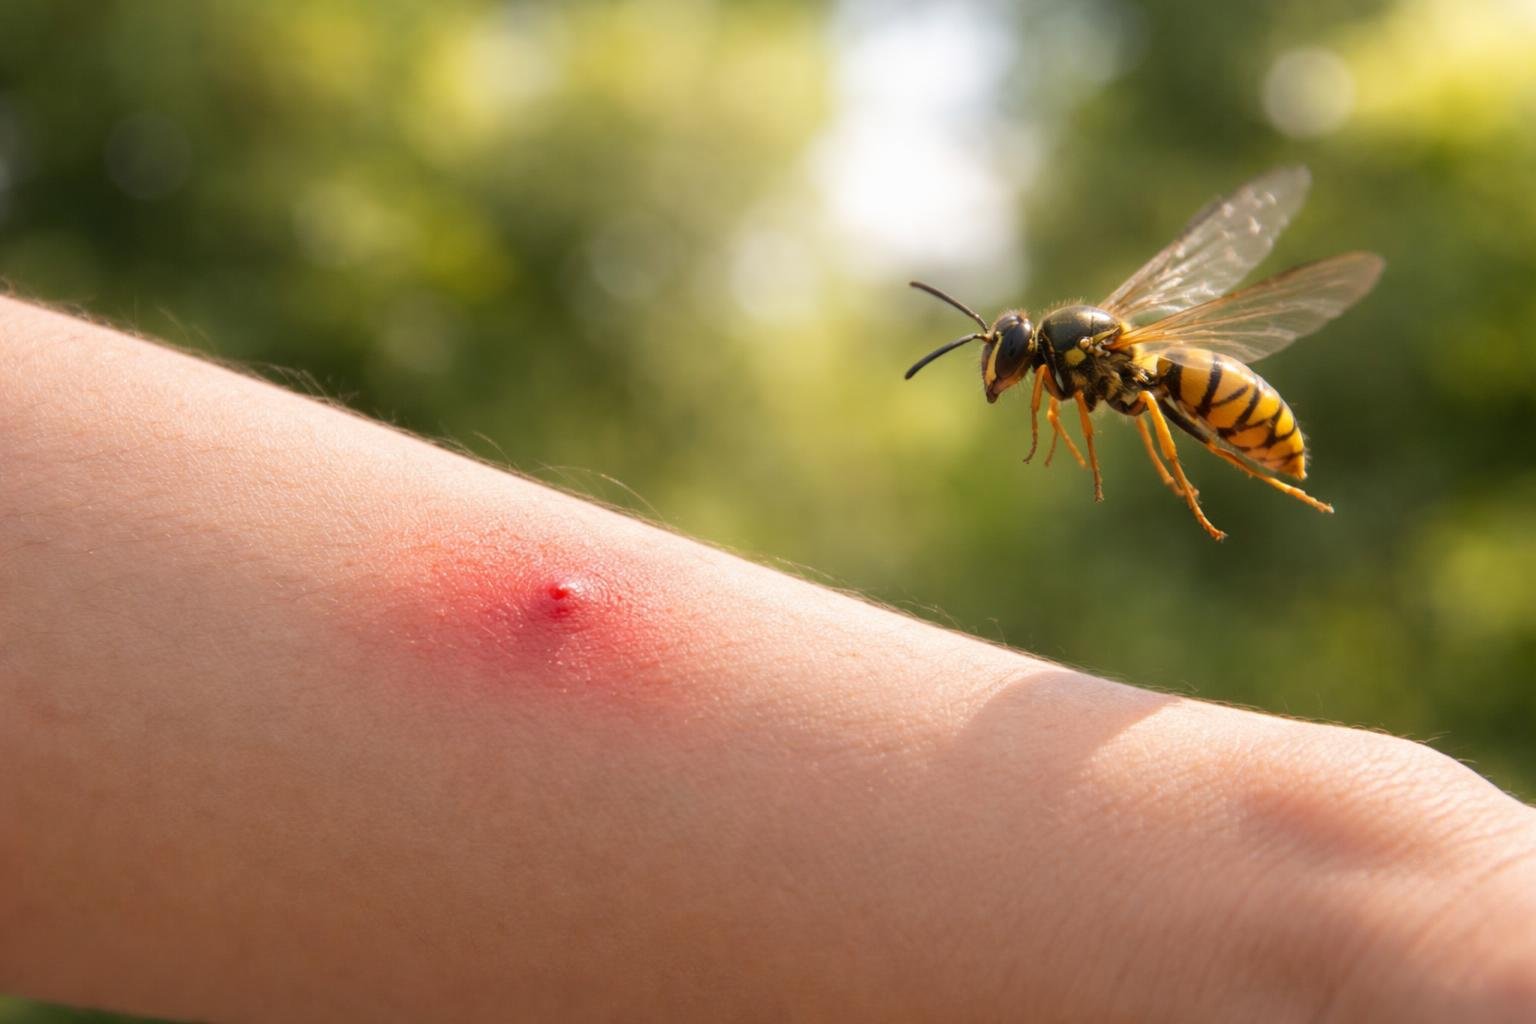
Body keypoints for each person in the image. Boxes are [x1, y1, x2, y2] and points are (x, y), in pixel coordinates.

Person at [0, 295, 1531, 1022]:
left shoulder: (1110, 363)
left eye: (1012, 362)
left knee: (1189, 426)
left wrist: (1378, 913)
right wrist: (1368, 916)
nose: (1010, 377)